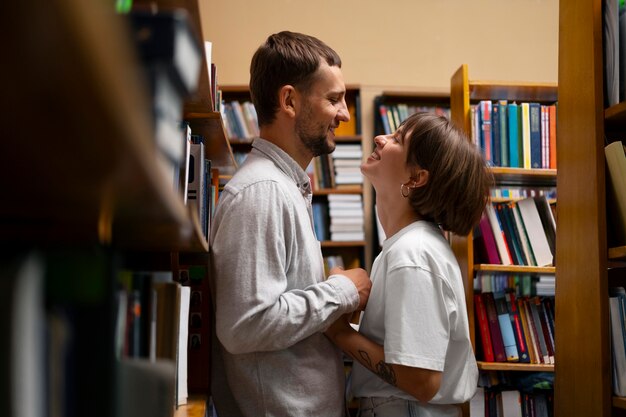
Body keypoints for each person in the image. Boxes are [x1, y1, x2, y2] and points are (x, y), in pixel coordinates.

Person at [209, 30, 372, 417]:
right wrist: (342, 291)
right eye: (333, 99)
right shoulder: (262, 192)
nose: (345, 114)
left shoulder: (285, 187)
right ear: (289, 101)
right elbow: (245, 325)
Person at [325, 112, 493, 417]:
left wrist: (337, 331)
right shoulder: (408, 247)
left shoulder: (412, 254)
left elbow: (422, 380)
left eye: (397, 139)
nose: (379, 138)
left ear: (416, 178)